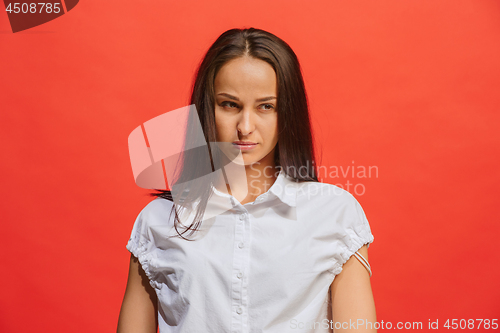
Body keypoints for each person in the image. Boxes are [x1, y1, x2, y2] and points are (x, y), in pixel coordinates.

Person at [117, 27, 376, 333]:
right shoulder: (158, 221)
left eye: (266, 106)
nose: (245, 126)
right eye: (230, 105)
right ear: (206, 109)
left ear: (287, 113)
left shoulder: (335, 214)